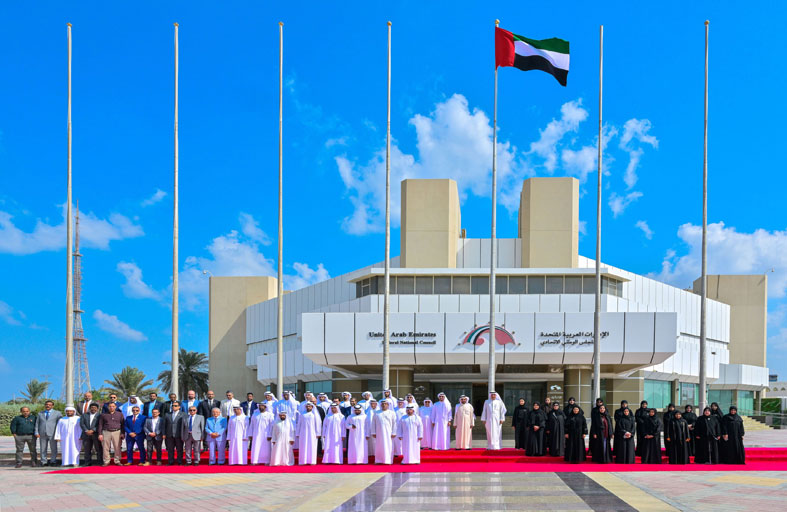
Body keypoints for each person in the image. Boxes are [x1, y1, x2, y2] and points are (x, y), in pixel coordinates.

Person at [35, 400, 61, 466]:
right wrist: (36, 432)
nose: (48, 406)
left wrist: (58, 434)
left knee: (53, 448)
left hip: (53, 433)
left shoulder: (57, 413)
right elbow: (37, 423)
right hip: (42, 433)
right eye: (46, 404)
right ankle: (44, 461)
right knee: (43, 448)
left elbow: (60, 424)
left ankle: (53, 461)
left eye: (49, 404)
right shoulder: (40, 413)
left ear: (52, 406)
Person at [98, 402, 124, 466]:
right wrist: (100, 434)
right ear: (108, 407)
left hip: (117, 432)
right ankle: (106, 461)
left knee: (117, 447)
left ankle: (117, 460)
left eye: (113, 406)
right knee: (105, 447)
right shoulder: (103, 415)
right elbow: (100, 425)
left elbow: (123, 424)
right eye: (110, 406)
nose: (111, 407)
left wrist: (123, 433)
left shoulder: (120, 414)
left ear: (115, 407)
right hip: (106, 432)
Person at [372, 399, 396, 464]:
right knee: (379, 446)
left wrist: (394, 432)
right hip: (379, 433)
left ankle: (388, 460)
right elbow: (373, 423)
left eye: (385, 404)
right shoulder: (376, 413)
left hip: (389, 433)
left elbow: (394, 423)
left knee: (388, 446)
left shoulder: (392, 413)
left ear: (388, 405)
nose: (384, 405)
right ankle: (378, 460)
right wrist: (373, 432)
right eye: (382, 404)